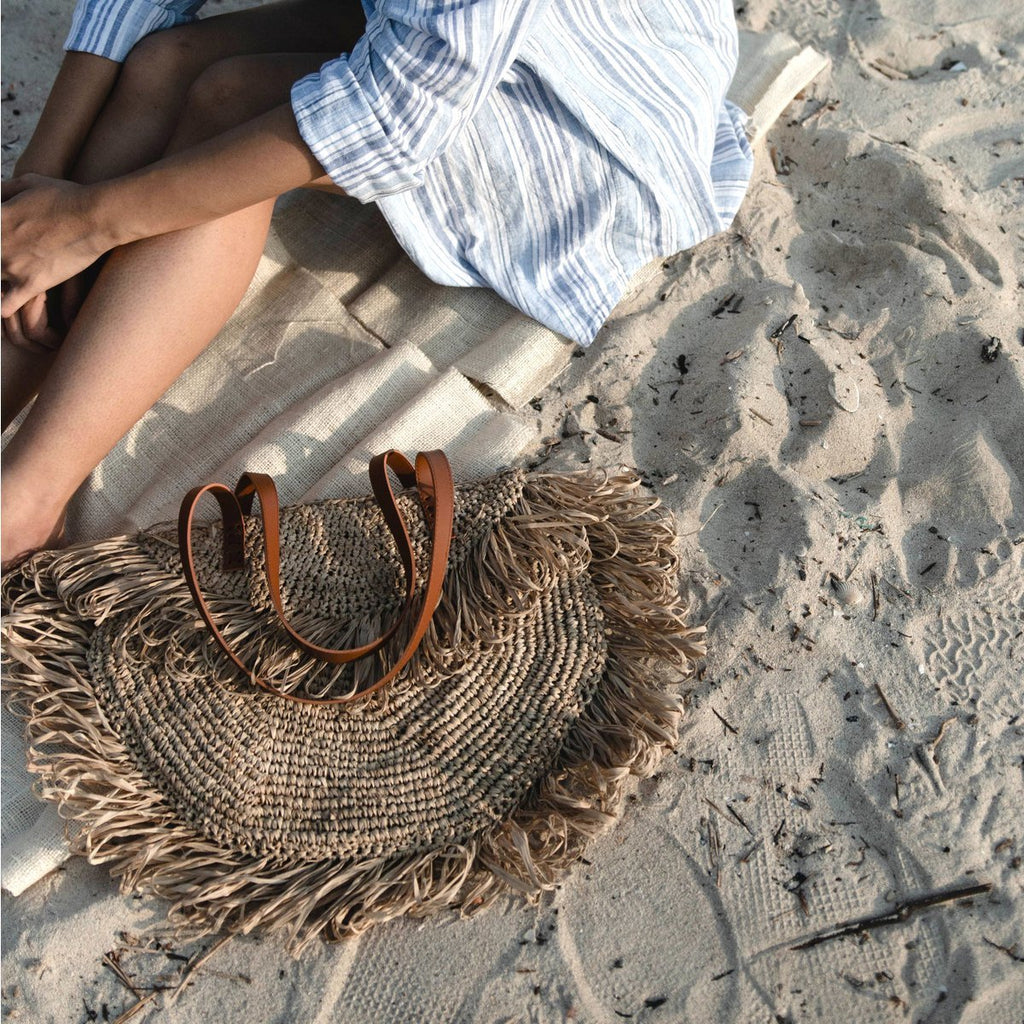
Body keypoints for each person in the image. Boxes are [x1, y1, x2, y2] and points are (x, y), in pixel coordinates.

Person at [0, 0, 753, 567]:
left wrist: (92, 221)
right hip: (480, 31)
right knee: (170, 60)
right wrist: (43, 179)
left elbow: (388, 118)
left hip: (608, 117)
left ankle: (25, 505)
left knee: (229, 100)